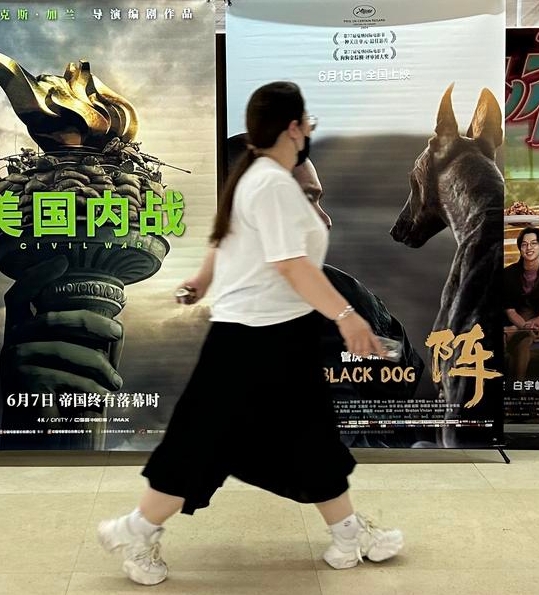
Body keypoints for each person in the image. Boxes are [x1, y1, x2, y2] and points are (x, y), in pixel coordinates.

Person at [96, 82, 403, 585]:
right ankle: (137, 530)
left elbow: (223, 243)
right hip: (251, 339)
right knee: (196, 445)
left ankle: (348, 535)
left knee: (311, 437)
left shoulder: (255, 180)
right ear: (292, 127)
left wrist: (200, 282)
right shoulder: (273, 185)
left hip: (278, 332)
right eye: (304, 121)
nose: (308, 130)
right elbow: (292, 265)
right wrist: (347, 316)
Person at [503, 226, 539, 380]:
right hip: (518, 321)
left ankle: (518, 392)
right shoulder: (508, 273)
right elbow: (509, 310)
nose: (529, 248)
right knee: (524, 340)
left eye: (534, 243)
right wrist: (524, 326)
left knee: (522, 339)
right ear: (519, 248)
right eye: (524, 244)